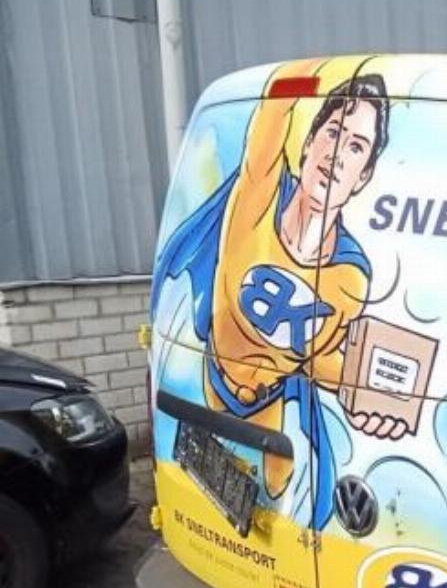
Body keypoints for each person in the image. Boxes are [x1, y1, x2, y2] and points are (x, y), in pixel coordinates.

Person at [155, 61, 408, 528]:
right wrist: (296, 86)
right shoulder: (259, 196)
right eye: (333, 132)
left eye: (356, 146)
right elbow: (270, 119)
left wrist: (376, 398)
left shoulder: (351, 275)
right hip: (199, 385)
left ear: (364, 175)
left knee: (288, 500)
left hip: (268, 419)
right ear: (309, 142)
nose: (337, 154)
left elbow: (316, 357)